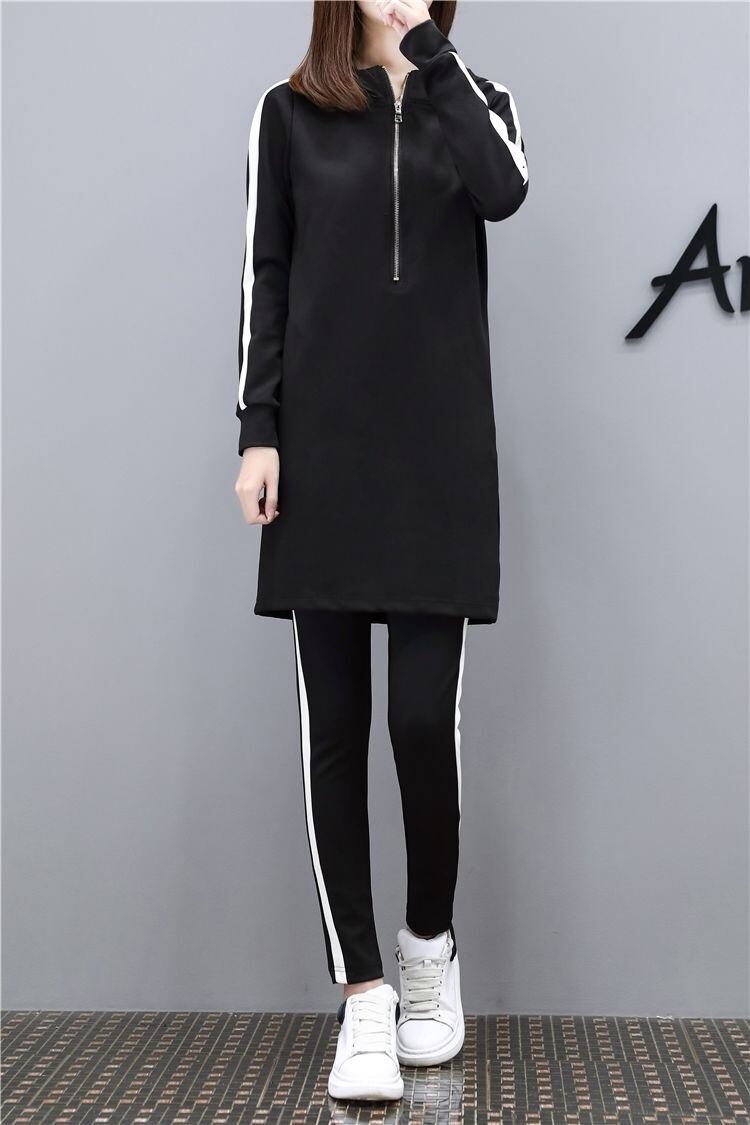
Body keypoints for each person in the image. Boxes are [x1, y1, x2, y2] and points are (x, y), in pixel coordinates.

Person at [233, 0, 529, 1102]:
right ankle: (362, 995)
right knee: (334, 734)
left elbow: (503, 192)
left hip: (439, 463)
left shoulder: (478, 101)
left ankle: (428, 952)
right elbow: (265, 275)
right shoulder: (286, 114)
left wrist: (430, 59)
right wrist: (258, 431)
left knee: (418, 723)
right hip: (321, 460)